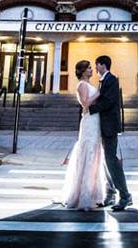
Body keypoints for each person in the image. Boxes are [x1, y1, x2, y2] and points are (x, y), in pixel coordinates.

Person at [59, 60, 107, 210]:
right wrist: (99, 93)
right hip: (89, 122)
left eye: (92, 67)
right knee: (89, 153)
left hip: (95, 121)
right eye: (89, 68)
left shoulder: (88, 84)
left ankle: (94, 193)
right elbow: (86, 103)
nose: (92, 70)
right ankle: (84, 195)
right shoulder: (81, 85)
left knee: (95, 154)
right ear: (83, 71)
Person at [88, 55, 133, 211]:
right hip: (103, 126)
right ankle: (111, 193)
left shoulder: (112, 80)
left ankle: (125, 196)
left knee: (111, 160)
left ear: (103, 65)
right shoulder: (103, 80)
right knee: (106, 161)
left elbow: (108, 101)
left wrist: (90, 109)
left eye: (96, 64)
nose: (95, 68)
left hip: (110, 127)